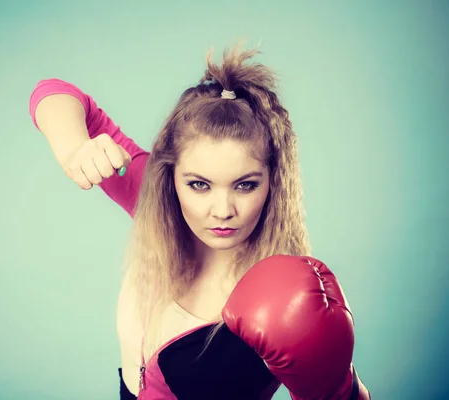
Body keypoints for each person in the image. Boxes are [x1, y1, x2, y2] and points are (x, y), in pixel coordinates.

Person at [29, 45, 371, 400]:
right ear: (170, 178)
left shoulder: (286, 295)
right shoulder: (157, 200)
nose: (222, 210)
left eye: (245, 185)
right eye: (199, 185)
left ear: (273, 182)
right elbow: (53, 93)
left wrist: (337, 385)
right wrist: (74, 150)